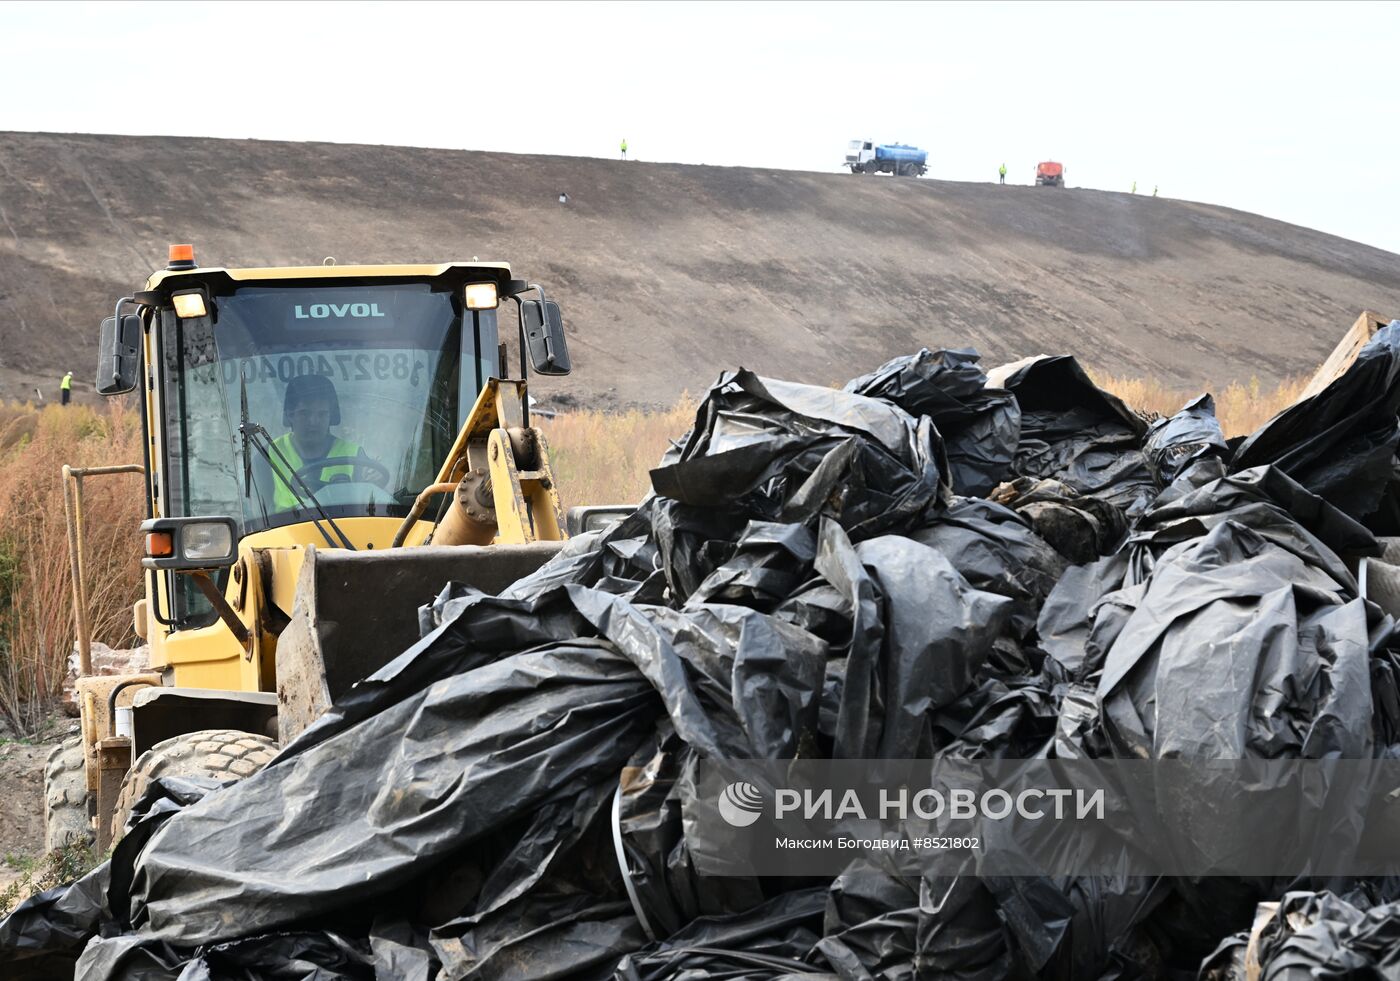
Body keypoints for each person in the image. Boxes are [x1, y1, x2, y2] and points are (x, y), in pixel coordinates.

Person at [266, 374, 381, 511]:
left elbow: (369, 507)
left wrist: (374, 483)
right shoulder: (267, 455)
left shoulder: (355, 455)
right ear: (290, 414)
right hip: (285, 531)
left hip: (346, 530)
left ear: (330, 416)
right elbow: (258, 519)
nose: (313, 421)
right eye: (305, 413)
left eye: (322, 414)